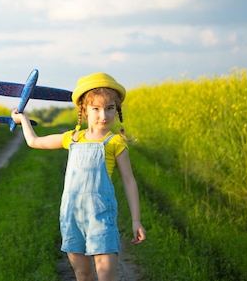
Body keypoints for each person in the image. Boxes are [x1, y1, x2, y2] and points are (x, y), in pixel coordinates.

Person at [11, 72, 146, 281]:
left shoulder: (115, 143)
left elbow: (129, 181)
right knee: (82, 274)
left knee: (106, 276)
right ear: (84, 109)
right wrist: (23, 120)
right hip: (71, 216)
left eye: (110, 108)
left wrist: (136, 220)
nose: (104, 116)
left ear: (117, 110)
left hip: (101, 217)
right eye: (96, 109)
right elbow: (35, 142)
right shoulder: (72, 138)